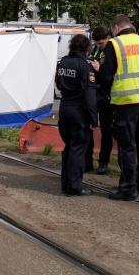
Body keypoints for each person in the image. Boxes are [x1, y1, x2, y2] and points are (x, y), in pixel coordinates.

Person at [98, 15, 139, 200]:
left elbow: (106, 76)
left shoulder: (115, 44)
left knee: (127, 146)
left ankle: (127, 188)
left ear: (116, 28)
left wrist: (107, 91)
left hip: (126, 101)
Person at [56, 34, 98, 196]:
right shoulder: (85, 66)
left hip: (64, 109)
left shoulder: (63, 63)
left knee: (69, 147)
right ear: (87, 49)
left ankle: (66, 183)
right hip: (79, 112)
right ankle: (74, 186)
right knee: (78, 149)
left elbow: (59, 84)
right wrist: (94, 119)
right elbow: (90, 95)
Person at [85, 26, 114, 175]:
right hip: (95, 93)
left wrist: (99, 69)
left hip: (107, 96)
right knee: (89, 126)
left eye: (101, 43)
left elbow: (111, 75)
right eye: (96, 43)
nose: (98, 46)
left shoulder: (112, 50)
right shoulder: (97, 50)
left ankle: (103, 162)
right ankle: (87, 161)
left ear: (109, 37)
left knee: (107, 131)